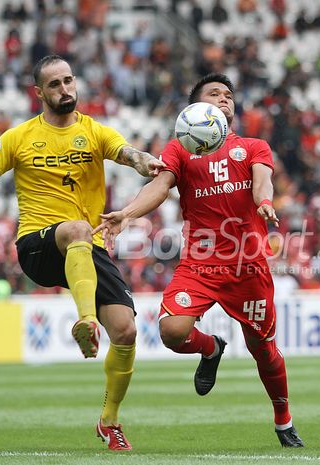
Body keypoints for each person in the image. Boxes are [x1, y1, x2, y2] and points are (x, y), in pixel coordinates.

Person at [0, 55, 164, 451]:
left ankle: (109, 421)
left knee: (126, 330)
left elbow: (128, 153)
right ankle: (85, 321)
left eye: (69, 80)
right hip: (38, 246)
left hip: (88, 247)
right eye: (55, 84)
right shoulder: (18, 137)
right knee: (78, 228)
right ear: (39, 93)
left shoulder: (96, 132)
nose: (65, 89)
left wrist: (144, 162)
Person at [96, 73, 304, 448]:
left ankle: (283, 420)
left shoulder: (254, 146)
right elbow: (159, 186)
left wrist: (265, 202)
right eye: (214, 94)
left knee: (264, 351)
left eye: (228, 95)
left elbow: (262, 182)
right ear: (195, 107)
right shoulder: (178, 150)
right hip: (200, 263)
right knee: (172, 331)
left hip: (248, 266)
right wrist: (127, 214)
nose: (224, 99)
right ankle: (211, 349)